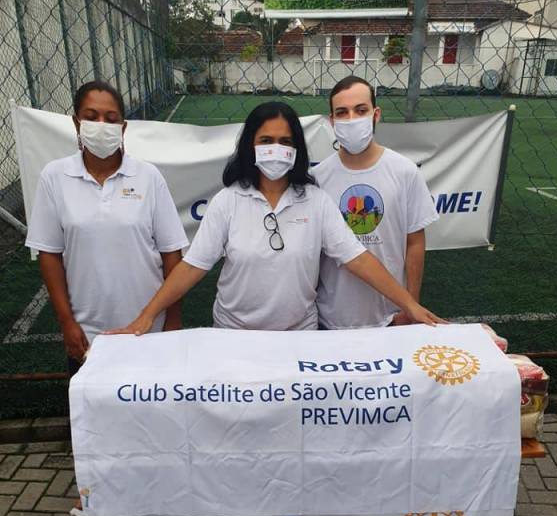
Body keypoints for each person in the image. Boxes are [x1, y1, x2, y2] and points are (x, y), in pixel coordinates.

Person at [109, 102, 443, 337]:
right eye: (266, 141)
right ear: (250, 146)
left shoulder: (316, 201)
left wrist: (410, 305)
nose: (276, 149)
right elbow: (192, 266)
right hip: (234, 334)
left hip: (298, 335)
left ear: (297, 149)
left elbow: (358, 259)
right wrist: (146, 317)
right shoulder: (228, 201)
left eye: (285, 142)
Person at [25, 80, 189, 374]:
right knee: (92, 403)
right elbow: (49, 254)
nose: (101, 125)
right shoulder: (55, 177)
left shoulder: (148, 176)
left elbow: (171, 253)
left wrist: (173, 320)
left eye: (111, 119)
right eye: (91, 117)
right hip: (88, 334)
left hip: (148, 328)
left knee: (149, 401)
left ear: (123, 128)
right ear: (76, 123)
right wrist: (67, 322)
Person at [315, 76, 439, 330]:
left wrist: (410, 305)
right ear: (332, 121)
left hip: (390, 317)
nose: (352, 119)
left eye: (361, 110)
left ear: (376, 114)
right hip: (331, 319)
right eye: (342, 112)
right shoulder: (317, 178)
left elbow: (415, 242)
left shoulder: (404, 171)